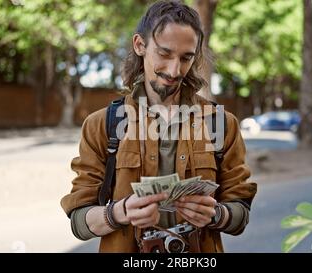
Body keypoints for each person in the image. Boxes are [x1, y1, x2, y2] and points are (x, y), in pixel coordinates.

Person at [61, 0, 257, 253]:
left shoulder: (220, 123)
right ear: (140, 45)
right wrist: (118, 213)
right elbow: (79, 221)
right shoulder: (103, 124)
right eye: (164, 54)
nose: (174, 70)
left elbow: (240, 213)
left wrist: (217, 214)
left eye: (186, 58)